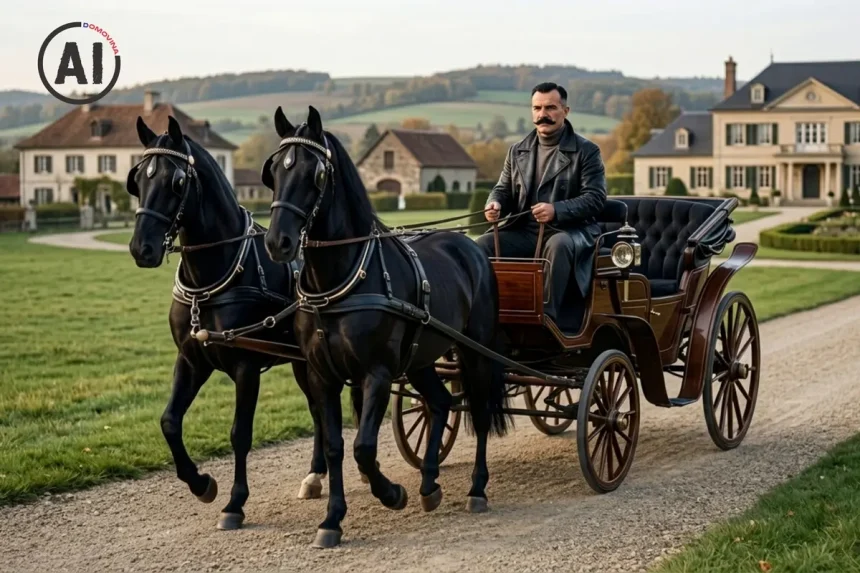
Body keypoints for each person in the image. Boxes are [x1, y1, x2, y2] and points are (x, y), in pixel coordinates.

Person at [476, 82, 607, 324]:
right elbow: (502, 189)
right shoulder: (517, 151)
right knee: (481, 245)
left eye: (550, 108)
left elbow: (596, 198)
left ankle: (547, 319)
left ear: (565, 111)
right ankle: (484, 315)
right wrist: (494, 204)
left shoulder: (587, 151)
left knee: (558, 245)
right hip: (524, 232)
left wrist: (556, 210)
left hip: (569, 231)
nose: (542, 114)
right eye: (537, 108)